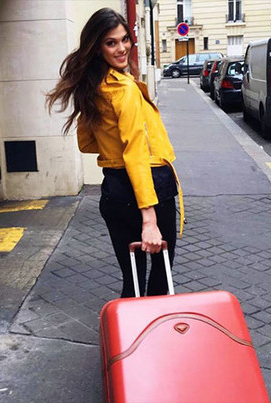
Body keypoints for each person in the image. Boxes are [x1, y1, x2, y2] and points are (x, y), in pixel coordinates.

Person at [45, 7, 184, 298]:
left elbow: (86, 143)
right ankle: (153, 327)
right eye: (111, 42)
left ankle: (129, 327)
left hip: (115, 190)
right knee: (161, 275)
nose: (121, 48)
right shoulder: (124, 89)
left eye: (124, 39)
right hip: (151, 187)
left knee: (132, 278)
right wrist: (149, 219)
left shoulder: (93, 87)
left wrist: (113, 144)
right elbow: (135, 153)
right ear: (98, 47)